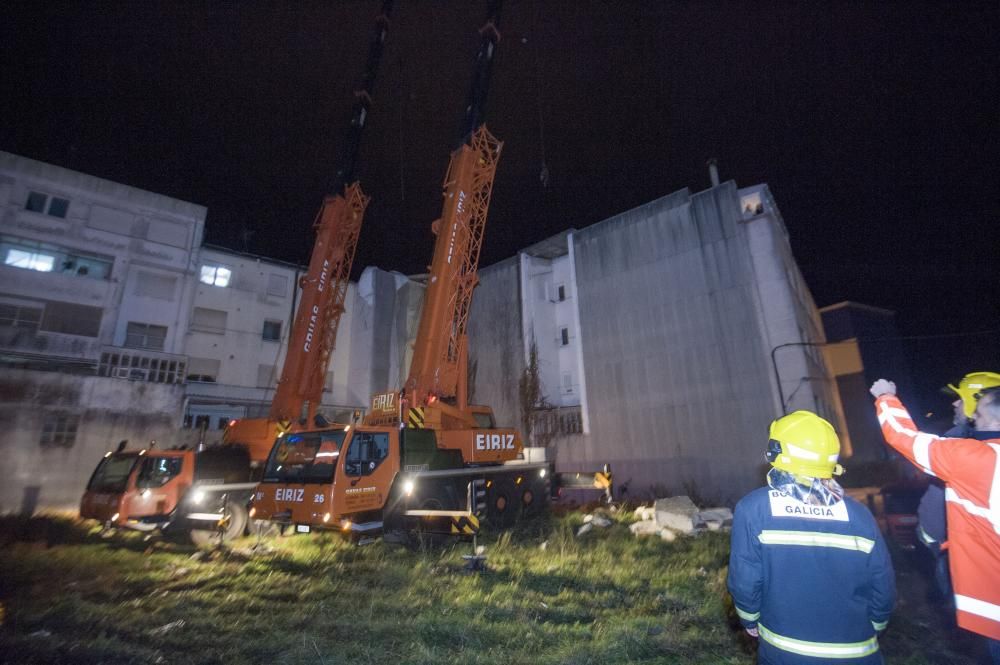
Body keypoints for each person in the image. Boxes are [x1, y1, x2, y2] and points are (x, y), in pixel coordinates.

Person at [728, 410, 895, 664]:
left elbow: (745, 578)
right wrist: (876, 623)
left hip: (785, 651)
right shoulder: (860, 516)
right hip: (857, 652)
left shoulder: (753, 510)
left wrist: (749, 618)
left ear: (778, 453)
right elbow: (882, 582)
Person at [870, 377, 1000, 662]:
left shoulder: (974, 457)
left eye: (978, 413)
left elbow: (903, 437)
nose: (973, 417)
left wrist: (886, 397)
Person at [916, 372, 1000, 608]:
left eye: (960, 398)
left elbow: (904, 438)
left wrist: (885, 399)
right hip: (956, 557)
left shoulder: (964, 449)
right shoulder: (962, 441)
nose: (954, 403)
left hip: (974, 565)